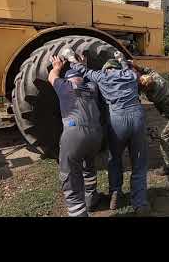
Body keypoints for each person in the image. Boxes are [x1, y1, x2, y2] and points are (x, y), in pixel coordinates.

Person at [69, 51, 150, 215]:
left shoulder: (101, 76)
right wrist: (122, 60)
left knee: (115, 158)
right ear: (118, 67)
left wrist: (72, 59)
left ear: (106, 69)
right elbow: (128, 68)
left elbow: (82, 71)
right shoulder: (129, 74)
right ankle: (140, 203)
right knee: (139, 161)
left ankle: (115, 194)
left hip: (117, 119)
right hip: (137, 116)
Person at [48, 55, 104, 217]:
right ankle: (91, 198)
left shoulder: (64, 86)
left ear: (69, 80)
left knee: (70, 175)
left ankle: (78, 213)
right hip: (96, 135)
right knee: (88, 165)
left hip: (74, 135)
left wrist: (57, 66)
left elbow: (52, 76)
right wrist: (82, 65)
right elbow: (88, 78)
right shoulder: (93, 88)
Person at [133, 63, 169, 176]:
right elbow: (149, 70)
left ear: (146, 88)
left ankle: (168, 166)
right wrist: (136, 66)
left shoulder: (154, 95)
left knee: (165, 137)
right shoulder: (157, 78)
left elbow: (140, 90)